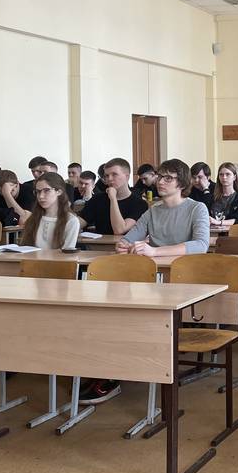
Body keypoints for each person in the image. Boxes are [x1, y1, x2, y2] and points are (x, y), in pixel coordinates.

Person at [81, 159, 210, 405]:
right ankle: (109, 370)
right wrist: (125, 245)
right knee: (115, 314)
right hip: (152, 281)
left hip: (182, 282)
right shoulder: (153, 211)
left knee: (139, 321)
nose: (161, 182)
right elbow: (129, 237)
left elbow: (201, 245)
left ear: (182, 183)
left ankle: (126, 371)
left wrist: (154, 251)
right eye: (160, 176)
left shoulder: (197, 208)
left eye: (168, 178)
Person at [79, 158, 146, 235]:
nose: (109, 179)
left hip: (125, 242)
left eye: (114, 174)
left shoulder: (140, 204)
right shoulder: (97, 199)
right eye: (106, 176)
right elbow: (78, 223)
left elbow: (119, 230)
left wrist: (113, 198)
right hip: (99, 242)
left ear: (127, 177)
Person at [19, 172, 79, 250]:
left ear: (59, 191)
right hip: (33, 258)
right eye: (38, 191)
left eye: (46, 190)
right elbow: (25, 248)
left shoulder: (71, 221)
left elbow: (67, 253)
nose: (41, 196)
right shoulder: (33, 218)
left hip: (58, 258)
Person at [208, 162, 238, 227]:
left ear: (234, 177)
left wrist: (219, 222)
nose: (224, 177)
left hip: (232, 232)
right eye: (221, 174)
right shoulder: (212, 198)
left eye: (227, 174)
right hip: (212, 231)